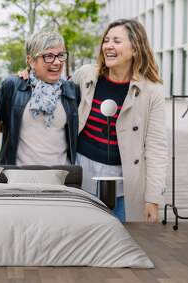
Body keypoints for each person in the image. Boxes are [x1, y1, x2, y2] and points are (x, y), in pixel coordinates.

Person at [72, 19, 167, 223]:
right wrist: (27, 75)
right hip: (83, 176)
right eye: (106, 40)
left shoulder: (152, 91)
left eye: (116, 41)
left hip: (125, 182)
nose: (108, 46)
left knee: (124, 242)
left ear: (135, 48)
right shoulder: (86, 75)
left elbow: (157, 148)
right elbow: (58, 91)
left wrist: (153, 198)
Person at [0, 31, 80, 166]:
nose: (57, 62)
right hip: (19, 178)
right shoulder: (13, 86)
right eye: (48, 56)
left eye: (61, 55)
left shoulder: (72, 91)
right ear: (31, 60)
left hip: (60, 177)